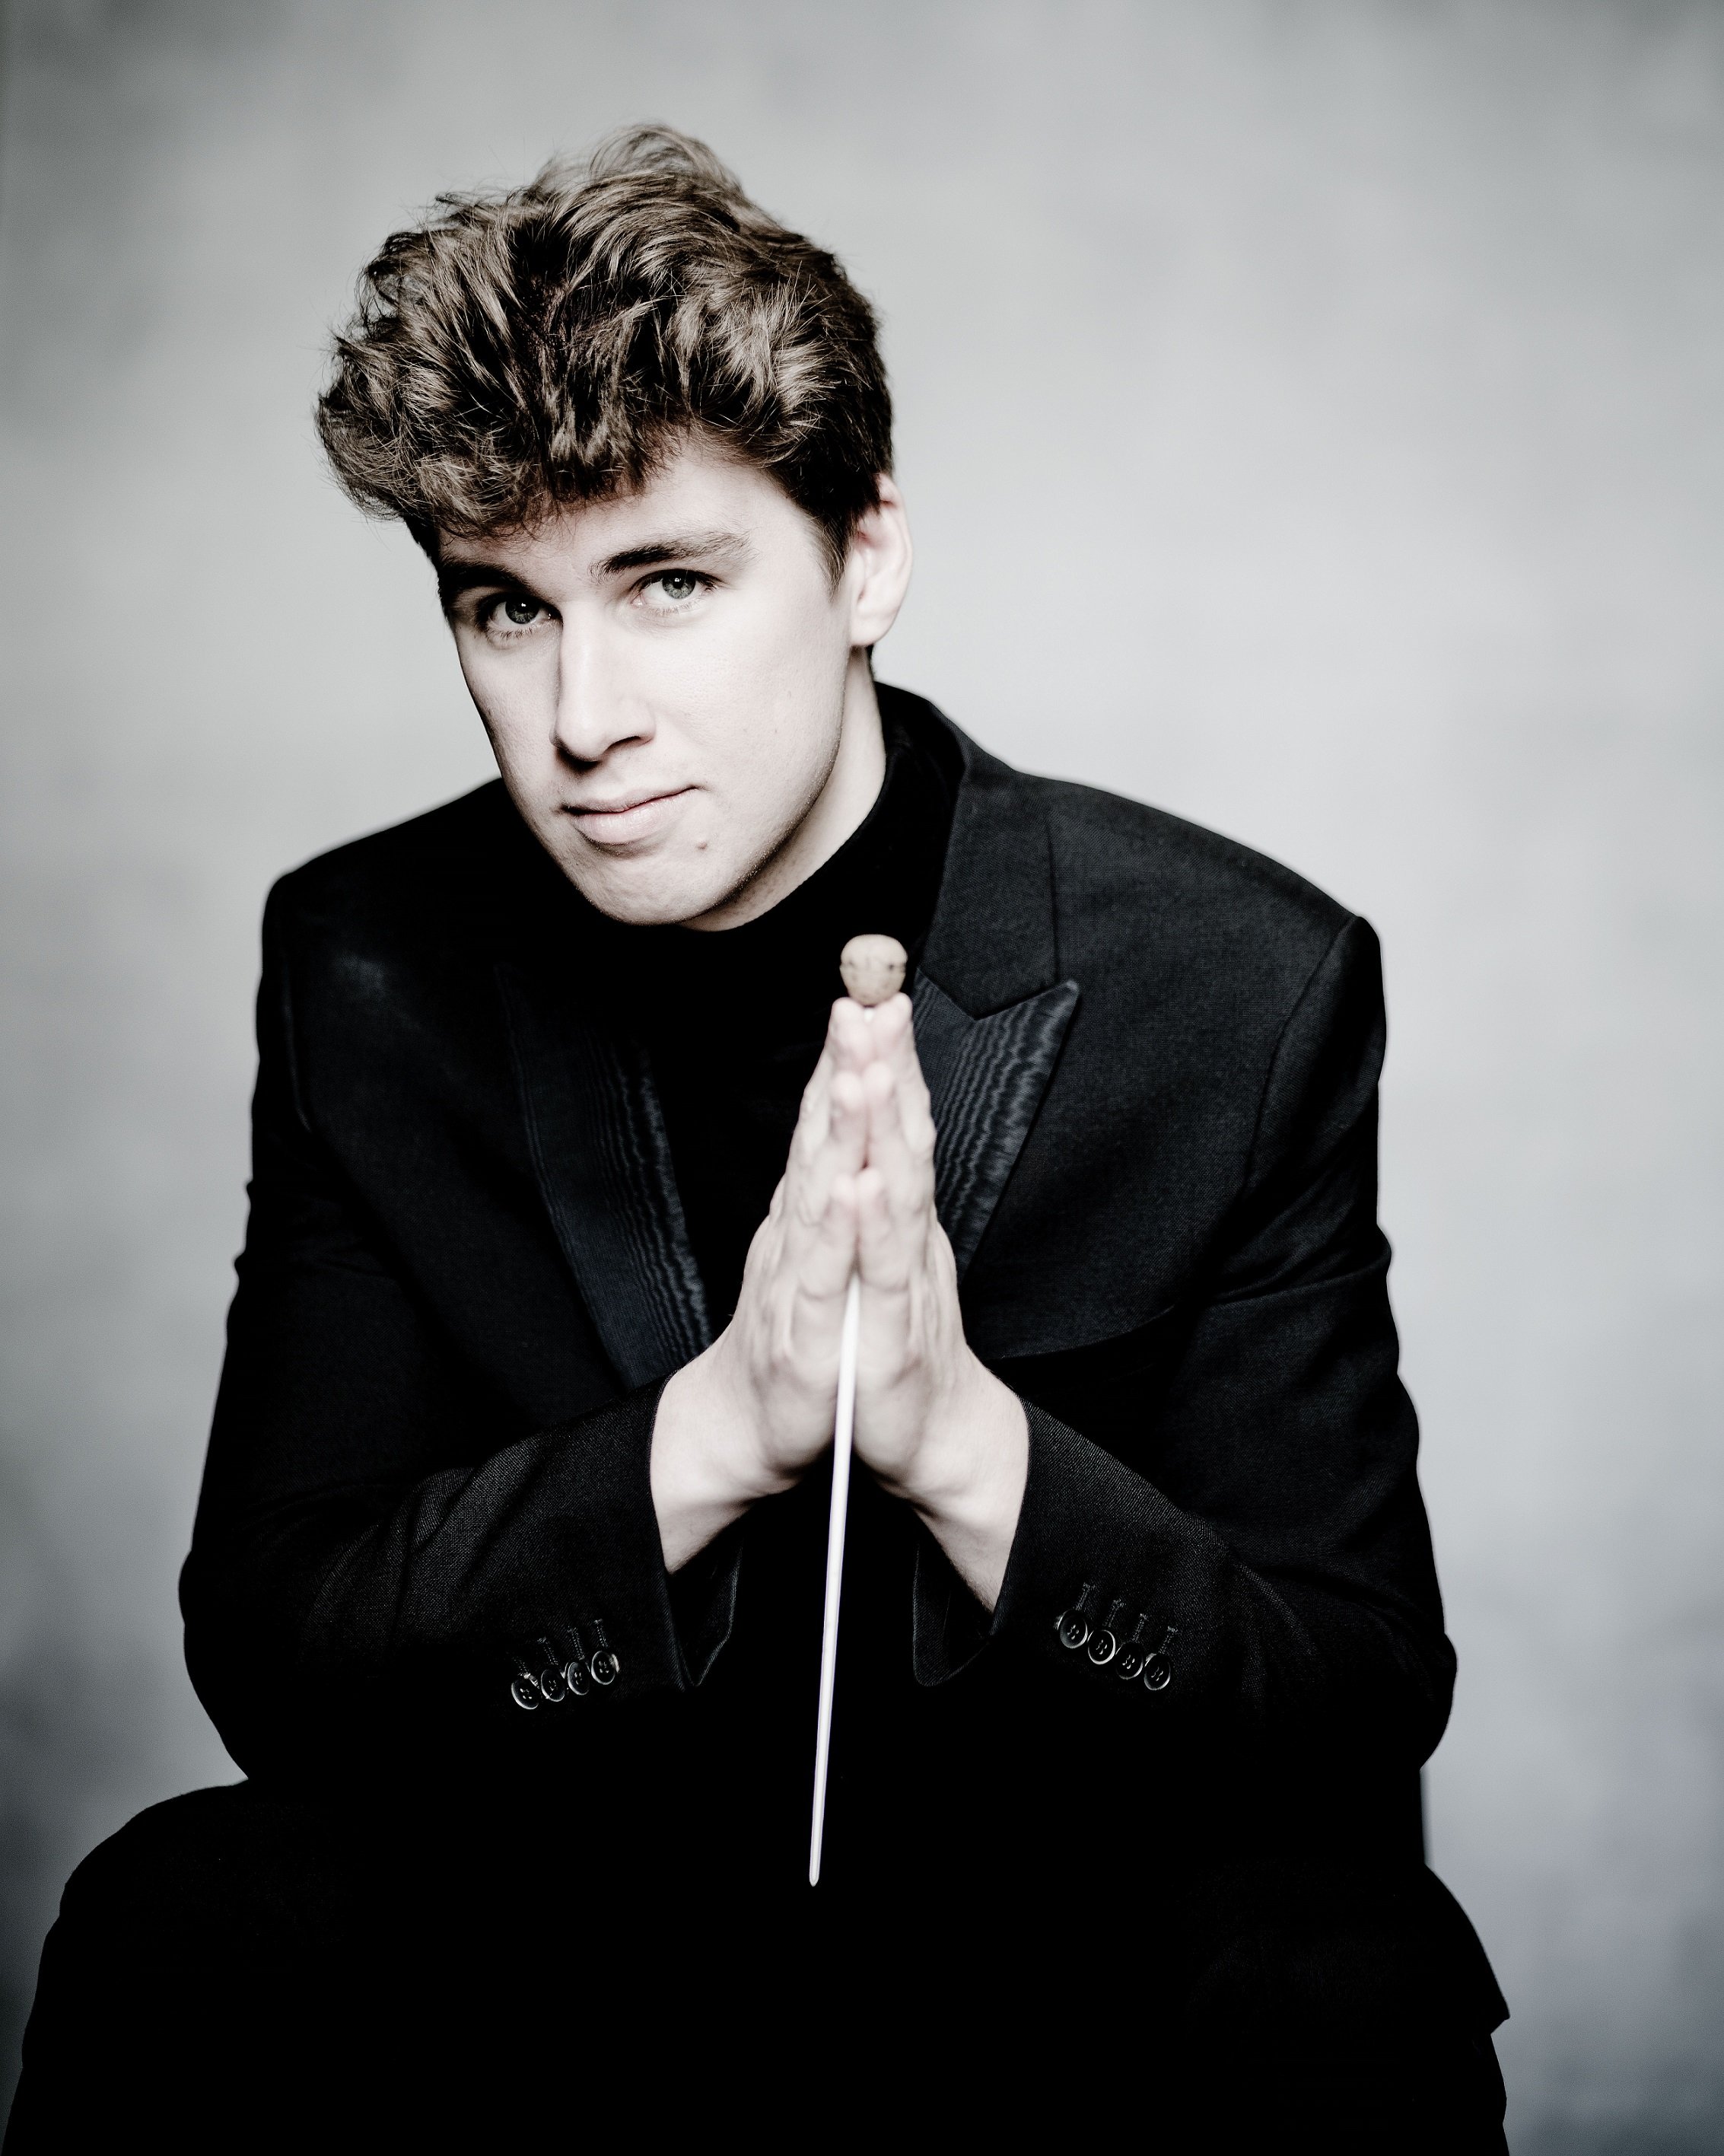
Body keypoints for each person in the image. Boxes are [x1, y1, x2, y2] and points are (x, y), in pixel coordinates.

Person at [6, 126, 1508, 2149]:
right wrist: (716, 1431)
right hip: (548, 1951)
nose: (581, 711)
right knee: (190, 1910)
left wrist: (958, 1444)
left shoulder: (1232, 984)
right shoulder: (369, 962)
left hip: (1055, 1971)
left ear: (865, 552)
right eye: (501, 610)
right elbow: (281, 1654)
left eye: (670, 583)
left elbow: (1341, 1699)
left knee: (1349, 1966)